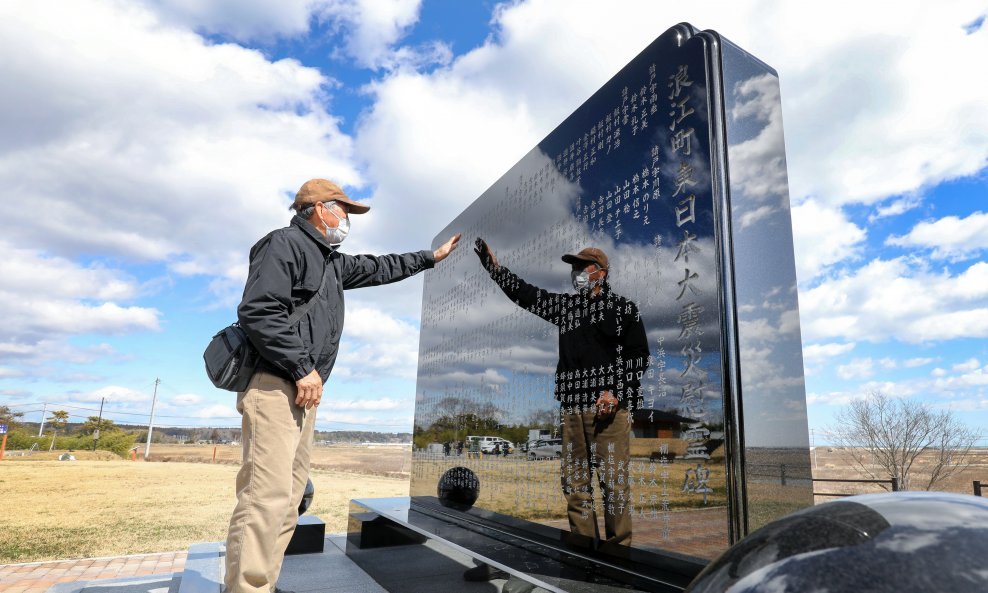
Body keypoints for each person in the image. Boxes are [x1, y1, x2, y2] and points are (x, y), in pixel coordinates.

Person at [224, 178, 460, 593]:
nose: (347, 219)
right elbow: (259, 311)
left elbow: (379, 266)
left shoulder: (331, 261)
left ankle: (261, 583)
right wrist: (301, 367)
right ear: (318, 208)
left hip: (301, 391)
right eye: (343, 209)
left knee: (289, 499)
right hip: (277, 384)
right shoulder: (283, 244)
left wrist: (430, 258)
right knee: (266, 497)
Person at [474, 239, 648, 548]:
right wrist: (494, 269)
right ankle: (584, 556)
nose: (576, 273)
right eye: (574, 268)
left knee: (614, 486)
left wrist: (617, 393)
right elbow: (527, 295)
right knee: (575, 485)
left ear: (602, 273)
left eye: (583, 267)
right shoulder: (567, 308)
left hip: (609, 413)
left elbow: (639, 356)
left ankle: (619, 559)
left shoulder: (623, 308)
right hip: (572, 411)